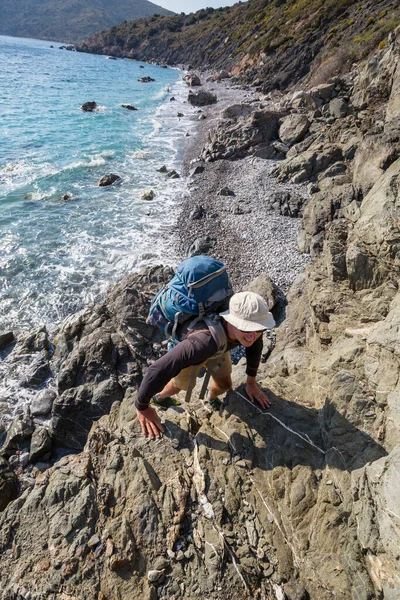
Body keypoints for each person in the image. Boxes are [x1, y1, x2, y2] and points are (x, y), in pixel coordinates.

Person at [135, 291, 275, 439]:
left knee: (225, 384)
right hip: (202, 350)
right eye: (246, 328)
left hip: (219, 347)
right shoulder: (201, 343)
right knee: (179, 386)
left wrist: (251, 383)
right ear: (232, 321)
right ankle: (159, 398)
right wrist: (142, 406)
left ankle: (211, 397)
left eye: (258, 329)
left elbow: (255, 345)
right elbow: (157, 370)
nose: (252, 336)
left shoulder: (250, 333)